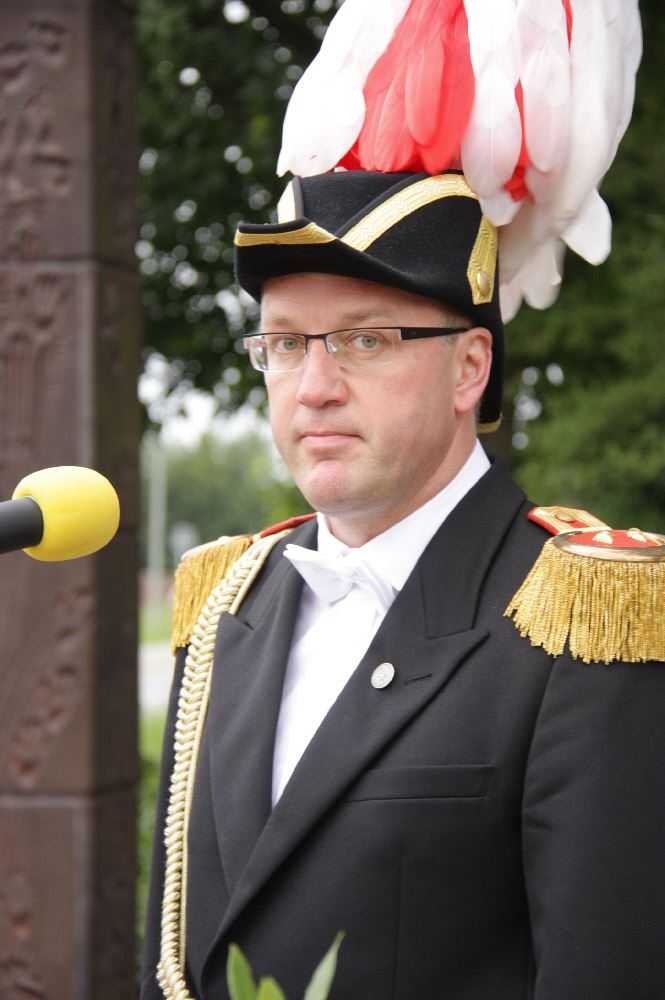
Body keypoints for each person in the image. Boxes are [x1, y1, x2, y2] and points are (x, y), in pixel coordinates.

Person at [142, 5, 663, 998]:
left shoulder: (584, 623)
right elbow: (170, 956)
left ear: (470, 367)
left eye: (363, 340)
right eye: (284, 343)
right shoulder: (224, 605)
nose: (313, 386)